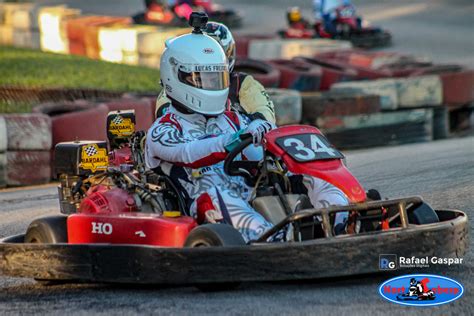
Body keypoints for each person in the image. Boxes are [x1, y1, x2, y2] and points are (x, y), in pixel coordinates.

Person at [146, 15, 350, 242]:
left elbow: (259, 150)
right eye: (204, 79)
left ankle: (336, 220)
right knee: (219, 196)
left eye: (217, 78)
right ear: (176, 77)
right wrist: (233, 140)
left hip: (250, 193)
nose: (212, 86)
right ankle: (278, 241)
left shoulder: (233, 120)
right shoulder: (162, 130)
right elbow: (189, 153)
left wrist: (264, 133)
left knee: (307, 176)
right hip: (206, 204)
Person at [155, 22, 276, 124]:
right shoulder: (175, 85)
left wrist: (241, 127)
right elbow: (163, 114)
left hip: (235, 146)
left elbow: (266, 115)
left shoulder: (243, 83)